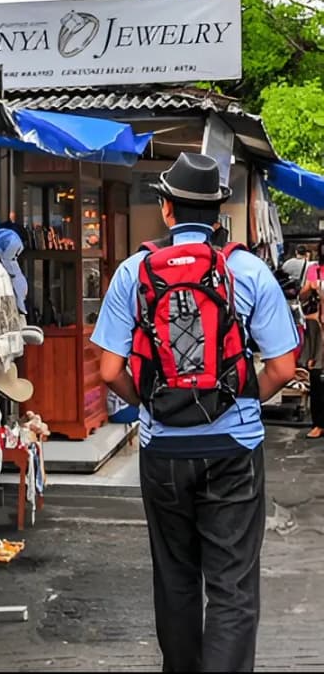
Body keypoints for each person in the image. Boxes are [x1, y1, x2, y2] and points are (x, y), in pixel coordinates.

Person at [92, 152, 298, 672]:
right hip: (234, 450)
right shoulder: (247, 270)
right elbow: (283, 365)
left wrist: (153, 405)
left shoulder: (133, 272)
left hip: (163, 450)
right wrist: (241, 403)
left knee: (176, 579)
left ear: (165, 209)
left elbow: (110, 370)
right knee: (231, 588)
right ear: (219, 211)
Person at [300, 241, 324, 438]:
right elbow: (302, 295)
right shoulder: (314, 270)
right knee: (316, 374)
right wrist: (311, 288)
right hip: (317, 326)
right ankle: (319, 423)